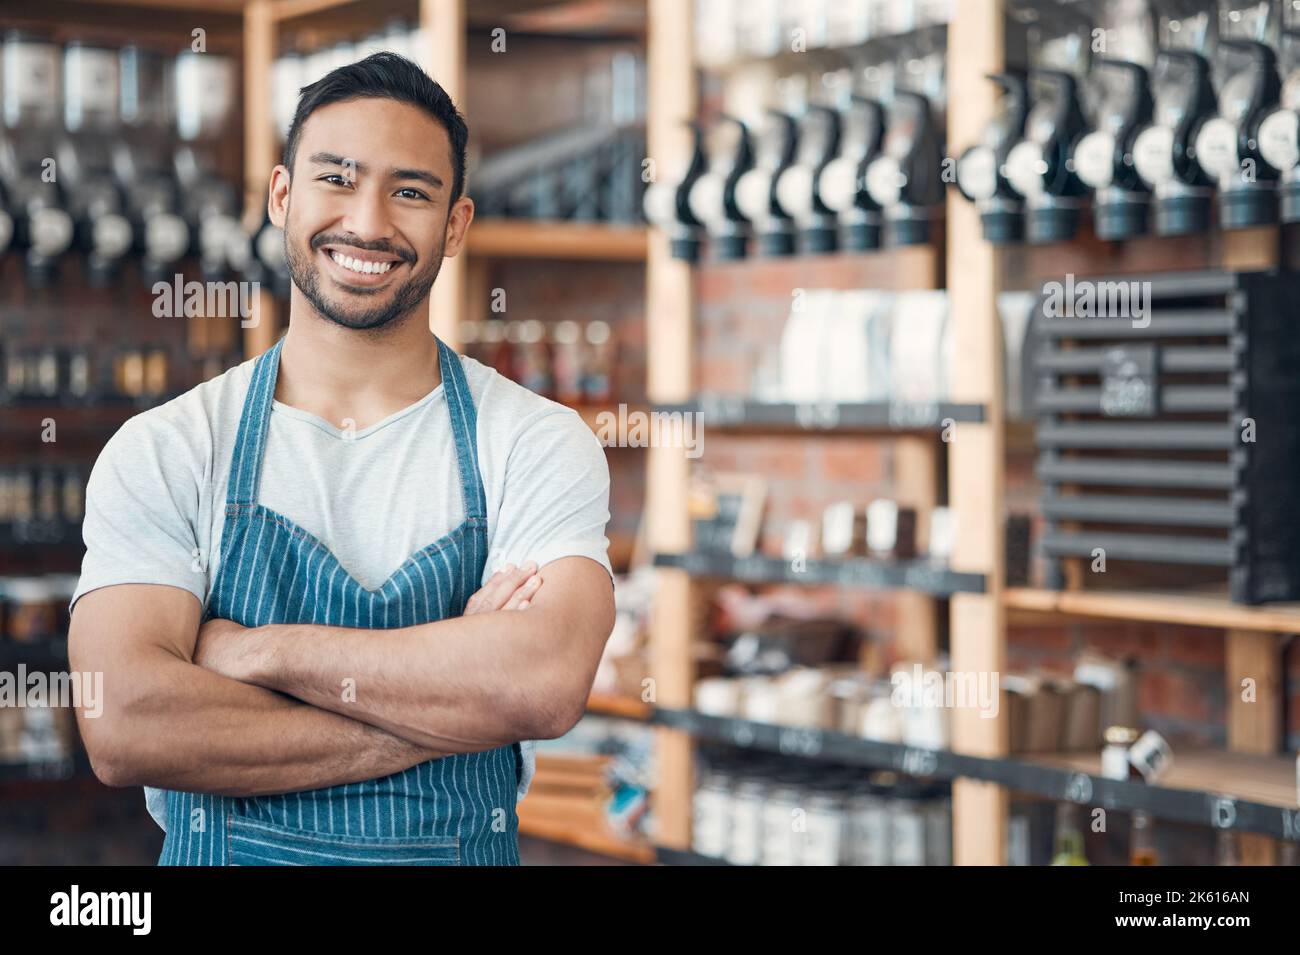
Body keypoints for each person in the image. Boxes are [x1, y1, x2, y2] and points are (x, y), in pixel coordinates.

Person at [68, 53, 616, 866]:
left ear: (455, 224)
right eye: (337, 179)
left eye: (411, 191)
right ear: (282, 196)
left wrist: (260, 651)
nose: (368, 223)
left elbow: (541, 683)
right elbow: (124, 722)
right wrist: (455, 708)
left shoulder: (534, 441)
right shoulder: (171, 448)